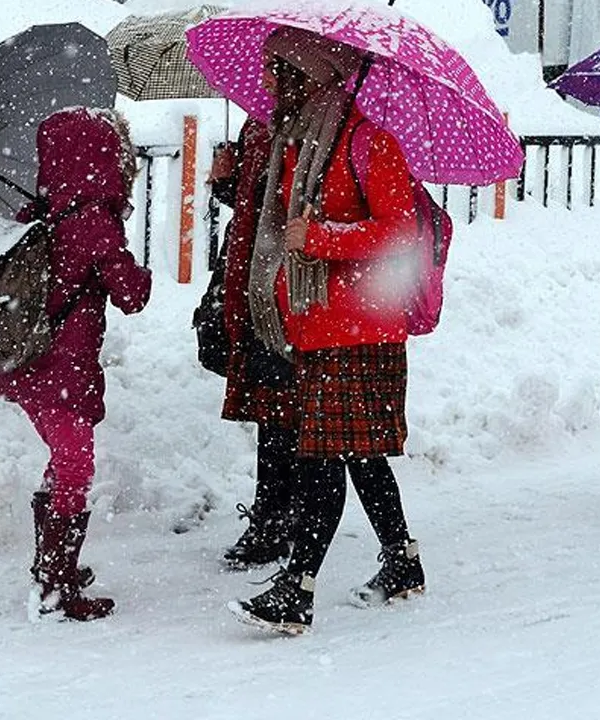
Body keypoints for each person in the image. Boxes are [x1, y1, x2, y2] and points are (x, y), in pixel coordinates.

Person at [228, 27, 425, 634]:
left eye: (275, 72)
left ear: (309, 76)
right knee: (360, 456)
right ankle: (403, 562)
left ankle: (297, 587)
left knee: (320, 459)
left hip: (359, 329)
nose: (265, 84)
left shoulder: (368, 143)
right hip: (317, 327)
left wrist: (319, 240)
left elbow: (402, 235)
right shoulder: (301, 143)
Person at [0, 107, 152, 619]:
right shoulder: (93, 223)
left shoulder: (37, 213)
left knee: (63, 463)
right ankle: (56, 588)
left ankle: (50, 568)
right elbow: (131, 295)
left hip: (28, 361)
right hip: (61, 368)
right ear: (103, 158)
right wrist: (136, 270)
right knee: (76, 467)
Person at [205, 118, 301, 569]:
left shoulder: (299, 126)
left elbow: (282, 203)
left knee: (282, 408)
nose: (262, 76)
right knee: (273, 409)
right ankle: (278, 515)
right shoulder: (258, 124)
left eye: (271, 67)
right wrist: (227, 178)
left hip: (280, 283)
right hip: (253, 279)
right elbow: (248, 204)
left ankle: (277, 519)